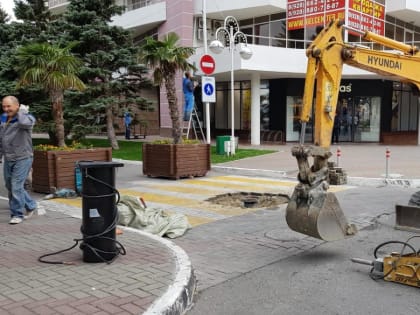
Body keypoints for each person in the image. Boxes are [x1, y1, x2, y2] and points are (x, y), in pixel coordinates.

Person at [0, 96, 37, 224]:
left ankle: (17, 214)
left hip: (23, 157)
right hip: (9, 158)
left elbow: (25, 124)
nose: (6, 109)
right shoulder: (3, 118)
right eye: (4, 106)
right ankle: (31, 205)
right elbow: (1, 139)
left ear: (17, 105)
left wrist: (21, 112)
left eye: (9, 106)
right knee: (10, 185)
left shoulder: (27, 118)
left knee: (16, 186)